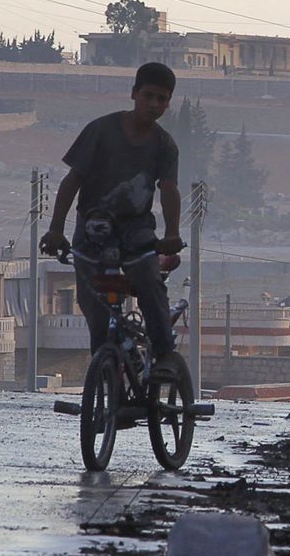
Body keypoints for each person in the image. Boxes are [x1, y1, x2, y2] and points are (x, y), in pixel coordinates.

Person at [40, 62, 183, 360]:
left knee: (150, 286)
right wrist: (55, 229)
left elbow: (168, 190)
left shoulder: (165, 145)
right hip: (94, 228)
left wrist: (171, 234)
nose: (154, 104)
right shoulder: (101, 130)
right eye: (148, 96)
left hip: (137, 232)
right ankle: (103, 365)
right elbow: (72, 182)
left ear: (168, 103)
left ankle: (164, 359)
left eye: (162, 99)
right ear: (134, 94)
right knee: (94, 306)